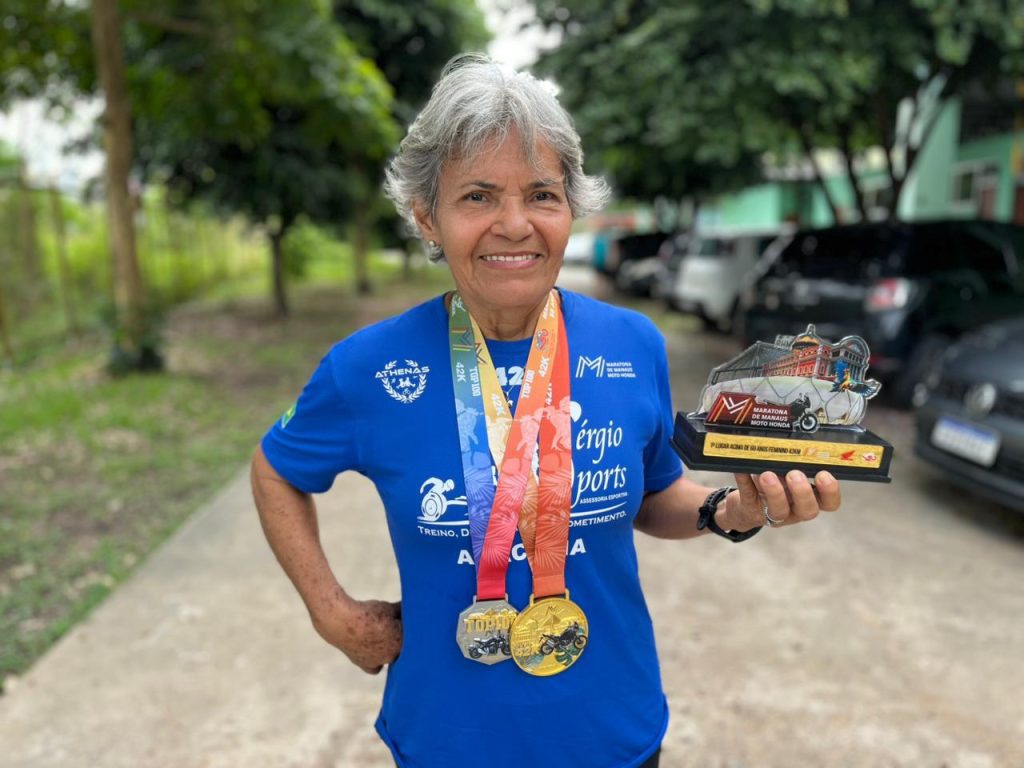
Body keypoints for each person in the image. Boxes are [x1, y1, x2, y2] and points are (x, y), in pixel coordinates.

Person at [251, 53, 842, 768]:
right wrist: (332, 613)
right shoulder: (368, 368)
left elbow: (656, 496)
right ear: (427, 217)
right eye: (477, 196)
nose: (514, 224)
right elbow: (275, 470)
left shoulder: (632, 344)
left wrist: (733, 509)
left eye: (541, 194)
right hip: (448, 741)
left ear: (570, 211)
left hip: (612, 732)